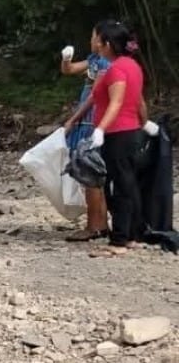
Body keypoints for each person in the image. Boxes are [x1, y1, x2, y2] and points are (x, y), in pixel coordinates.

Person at [69, 20, 153, 257]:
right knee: (127, 184)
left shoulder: (116, 69)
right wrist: (145, 123)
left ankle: (119, 241)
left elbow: (116, 102)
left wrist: (100, 129)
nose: (93, 41)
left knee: (119, 186)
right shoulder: (132, 66)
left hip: (119, 132)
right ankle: (131, 235)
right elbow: (138, 101)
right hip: (130, 131)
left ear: (106, 43)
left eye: (96, 37)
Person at [60, 24, 111, 240]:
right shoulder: (93, 59)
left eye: (93, 36)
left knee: (90, 171)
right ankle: (100, 222)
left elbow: (94, 96)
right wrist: (65, 59)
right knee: (92, 173)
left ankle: (94, 225)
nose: (90, 39)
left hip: (92, 120)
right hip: (87, 120)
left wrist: (73, 118)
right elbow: (69, 70)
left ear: (102, 40)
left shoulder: (106, 63)